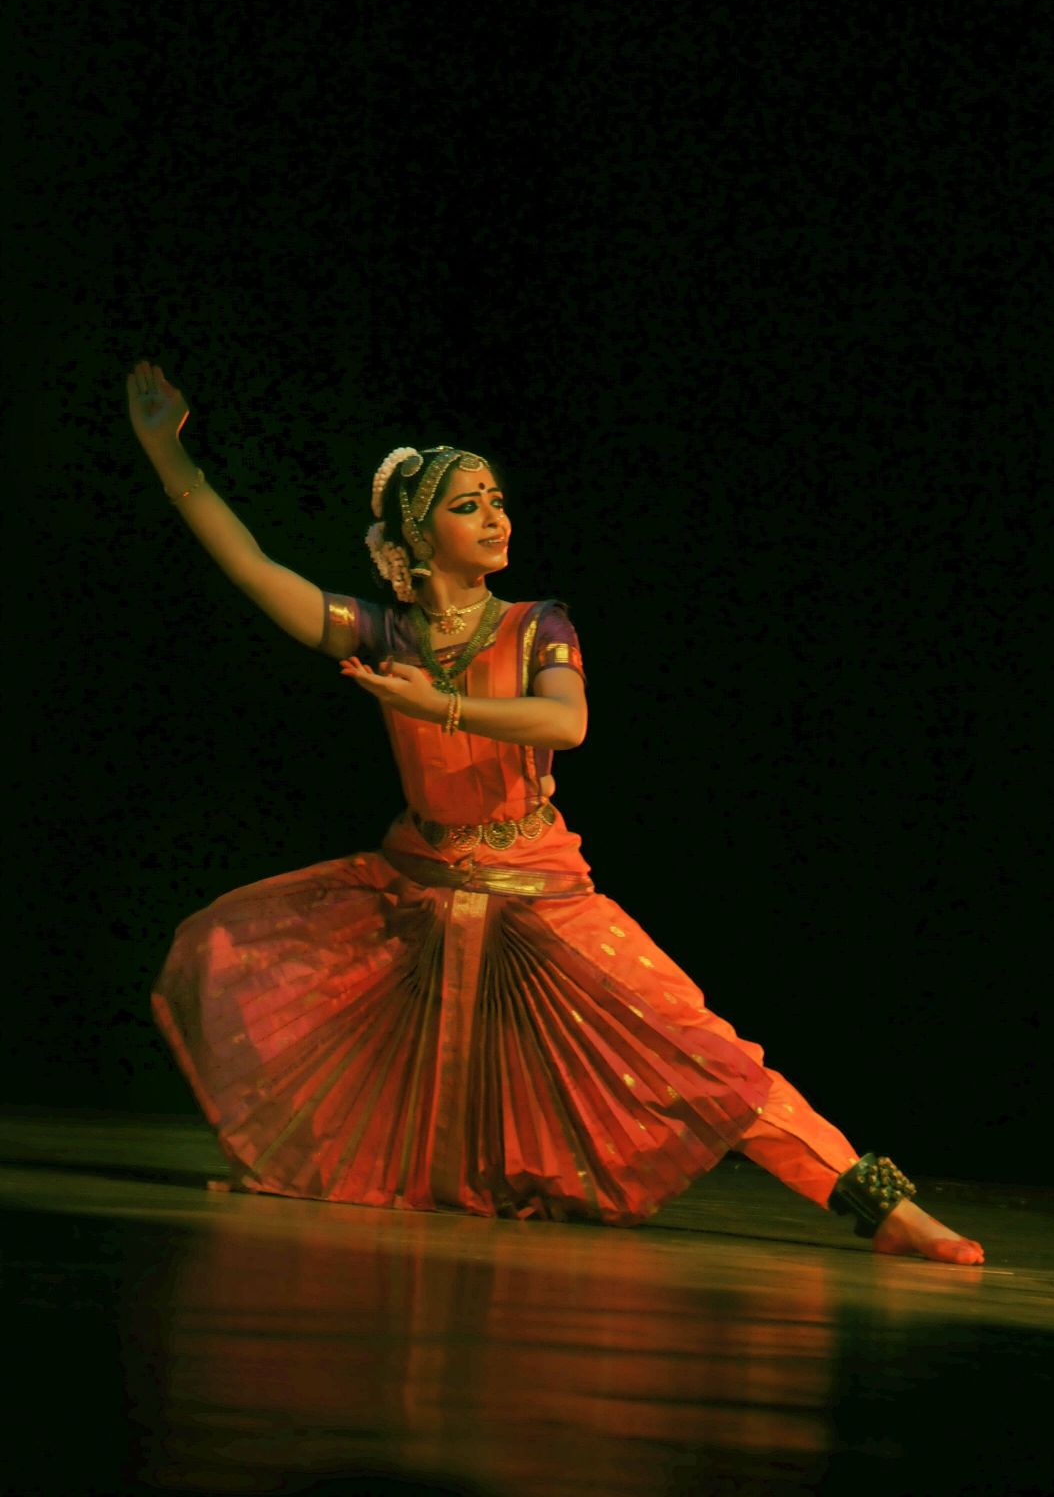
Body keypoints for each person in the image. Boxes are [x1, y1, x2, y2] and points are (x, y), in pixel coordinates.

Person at [127, 359, 984, 1264]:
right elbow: (255, 569)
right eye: (469, 506)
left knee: (704, 1054)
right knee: (252, 964)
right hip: (420, 890)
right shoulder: (388, 631)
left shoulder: (538, 624)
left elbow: (565, 723)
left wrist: (437, 706)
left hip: (540, 891)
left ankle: (884, 1209)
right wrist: (164, 451)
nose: (496, 517)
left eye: (497, 501)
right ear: (418, 536)